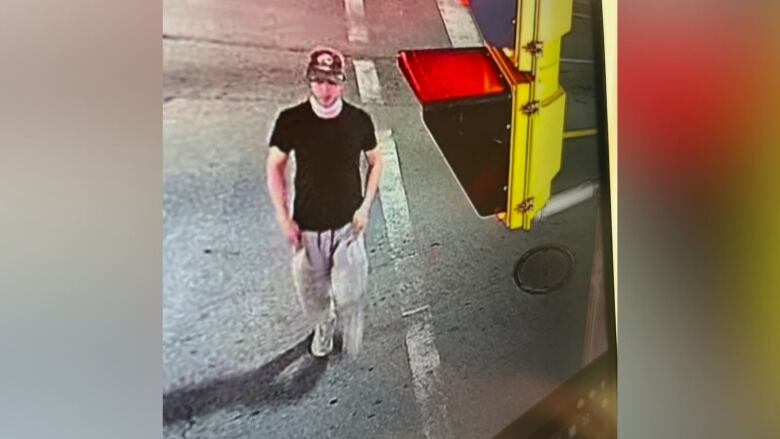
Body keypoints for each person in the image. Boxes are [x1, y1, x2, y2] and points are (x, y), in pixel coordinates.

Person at [266, 47, 384, 358]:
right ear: (309, 81)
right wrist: (283, 216)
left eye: (331, 82)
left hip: (348, 224)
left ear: (342, 83)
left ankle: (349, 319)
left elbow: (376, 161)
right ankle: (324, 325)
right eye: (318, 81)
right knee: (312, 292)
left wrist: (365, 206)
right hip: (309, 226)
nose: (325, 89)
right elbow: (274, 166)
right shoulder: (292, 120)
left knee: (351, 290)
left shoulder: (359, 120)